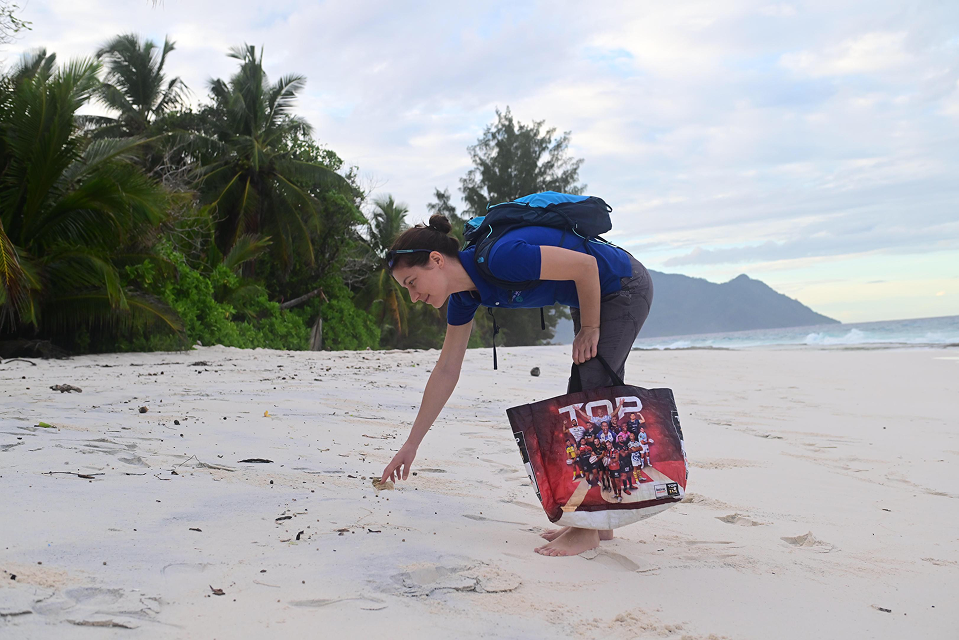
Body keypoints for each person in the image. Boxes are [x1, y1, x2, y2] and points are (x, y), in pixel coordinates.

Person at [379, 213, 654, 557]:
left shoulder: (500, 258)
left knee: (587, 399)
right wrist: (411, 444)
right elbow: (447, 369)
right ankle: (597, 520)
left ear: (436, 261)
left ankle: (588, 527)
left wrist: (591, 328)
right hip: (592, 295)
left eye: (411, 283)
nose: (413, 296)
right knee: (588, 396)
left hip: (622, 285)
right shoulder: (466, 297)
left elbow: (585, 267)